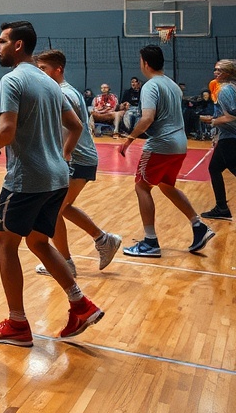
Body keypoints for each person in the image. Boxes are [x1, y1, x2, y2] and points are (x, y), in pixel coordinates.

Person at [0, 21, 103, 345]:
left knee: (5, 245)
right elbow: (76, 126)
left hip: (26, 180)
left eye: (2, 41)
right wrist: (62, 156)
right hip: (56, 178)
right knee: (37, 242)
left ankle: (18, 325)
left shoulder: (12, 80)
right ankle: (80, 303)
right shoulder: (50, 83)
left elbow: (6, 130)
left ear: (18, 45)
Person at [32, 50, 122, 276]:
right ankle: (102, 240)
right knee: (62, 208)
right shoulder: (65, 90)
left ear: (58, 69)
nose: (40, 73)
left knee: (52, 210)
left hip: (77, 159)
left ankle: (67, 261)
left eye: (43, 69)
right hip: (81, 158)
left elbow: (75, 127)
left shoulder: (63, 94)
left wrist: (65, 155)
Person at [120, 45, 215, 257]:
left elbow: (147, 118)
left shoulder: (150, 86)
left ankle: (150, 242)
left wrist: (129, 139)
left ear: (145, 63)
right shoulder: (172, 85)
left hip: (161, 144)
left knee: (142, 187)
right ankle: (198, 225)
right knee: (166, 185)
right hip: (179, 144)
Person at [201, 59, 236, 221]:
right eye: (215, 70)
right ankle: (221, 207)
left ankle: (221, 207)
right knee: (214, 168)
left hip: (231, 138)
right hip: (226, 137)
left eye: (219, 70)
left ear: (228, 73)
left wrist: (212, 121)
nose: (215, 73)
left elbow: (231, 116)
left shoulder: (225, 91)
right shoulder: (230, 88)